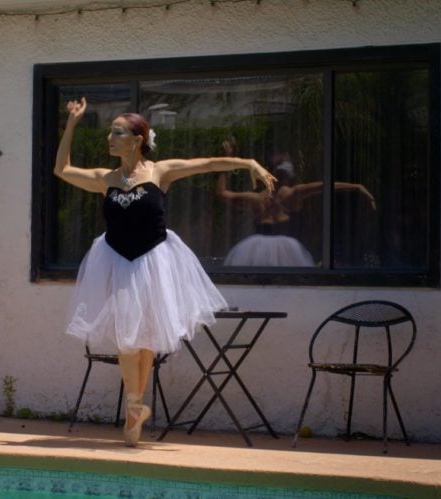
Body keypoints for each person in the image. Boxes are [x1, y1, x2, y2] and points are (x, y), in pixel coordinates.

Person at [55, 97, 276, 447]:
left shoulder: (160, 172)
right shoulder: (106, 178)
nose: (109, 138)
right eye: (110, 132)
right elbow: (62, 170)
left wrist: (247, 161)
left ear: (137, 139)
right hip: (117, 260)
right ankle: (134, 406)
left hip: (152, 261)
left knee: (142, 342)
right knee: (129, 338)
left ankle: (136, 406)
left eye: (117, 132)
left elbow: (205, 164)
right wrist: (71, 123)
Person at [217, 147, 376, 267]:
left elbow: (222, 193)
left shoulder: (257, 198)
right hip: (289, 253)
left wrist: (225, 159)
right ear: (289, 174)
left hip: (254, 251)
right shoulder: (292, 194)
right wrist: (356, 186)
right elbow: (325, 186)